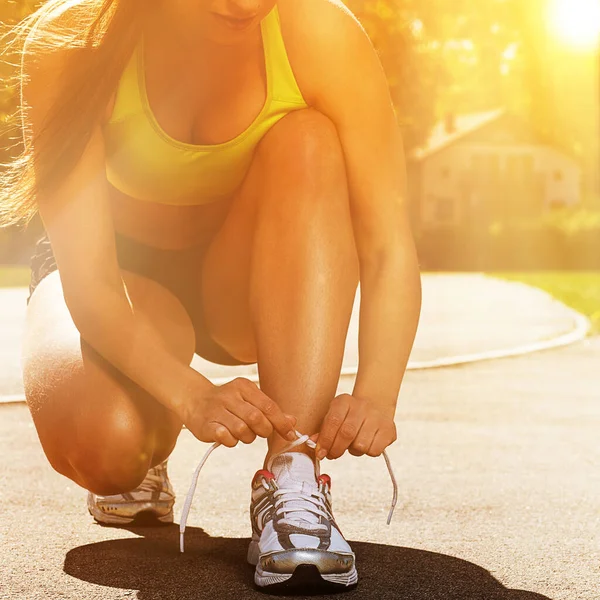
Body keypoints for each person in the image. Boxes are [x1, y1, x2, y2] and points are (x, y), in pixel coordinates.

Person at [1, 0, 421, 590]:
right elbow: (92, 286)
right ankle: (147, 450)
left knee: (308, 140)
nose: (244, 4)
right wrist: (188, 396)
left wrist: (379, 391)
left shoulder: (319, 32)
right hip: (121, 281)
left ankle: (292, 477)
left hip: (243, 281)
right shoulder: (70, 38)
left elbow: (388, 244)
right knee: (109, 444)